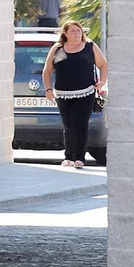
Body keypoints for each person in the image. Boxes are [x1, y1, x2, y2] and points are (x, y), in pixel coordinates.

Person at [43, 20, 108, 168]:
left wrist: (102, 81)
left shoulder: (89, 47)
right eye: (73, 31)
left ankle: (79, 158)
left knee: (80, 124)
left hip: (85, 93)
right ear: (65, 33)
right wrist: (47, 89)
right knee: (68, 126)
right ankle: (68, 157)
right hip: (63, 94)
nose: (76, 33)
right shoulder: (58, 49)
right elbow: (47, 71)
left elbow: (103, 64)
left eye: (79, 31)